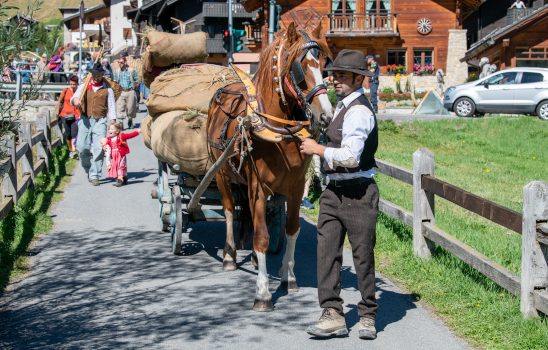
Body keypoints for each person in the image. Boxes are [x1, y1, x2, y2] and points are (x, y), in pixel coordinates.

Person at [300, 49, 379, 340]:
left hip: (359, 192)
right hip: (333, 192)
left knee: (362, 257)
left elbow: (350, 157)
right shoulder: (342, 107)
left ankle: (368, 314)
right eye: (334, 75)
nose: (335, 80)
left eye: (343, 76)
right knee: (327, 255)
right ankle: (332, 313)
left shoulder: (358, 110)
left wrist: (317, 149)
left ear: (359, 79)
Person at [70, 62, 117, 186]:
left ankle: (95, 175)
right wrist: (75, 100)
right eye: (94, 75)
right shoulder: (84, 86)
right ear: (91, 75)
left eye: (98, 75)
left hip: (100, 121)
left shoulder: (108, 89)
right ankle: (88, 169)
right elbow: (73, 98)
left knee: (98, 148)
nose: (96, 77)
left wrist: (113, 122)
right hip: (85, 120)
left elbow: (111, 106)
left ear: (102, 75)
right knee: (81, 147)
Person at [56, 75, 81, 159]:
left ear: (77, 84)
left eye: (74, 84)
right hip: (65, 115)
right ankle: (70, 150)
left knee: (74, 133)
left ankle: (73, 152)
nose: (72, 86)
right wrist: (57, 113)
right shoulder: (65, 90)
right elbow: (59, 101)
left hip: (76, 116)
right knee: (68, 134)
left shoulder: (79, 92)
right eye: (71, 84)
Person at [113, 56, 140, 129]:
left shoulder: (131, 70)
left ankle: (130, 120)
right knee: (120, 107)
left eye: (121, 62)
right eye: (119, 62)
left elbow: (137, 80)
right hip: (121, 92)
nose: (120, 64)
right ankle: (121, 122)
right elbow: (115, 81)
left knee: (131, 108)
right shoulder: (117, 71)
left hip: (130, 91)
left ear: (125, 62)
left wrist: (135, 87)